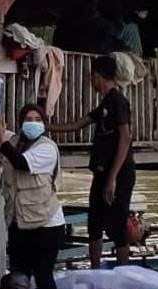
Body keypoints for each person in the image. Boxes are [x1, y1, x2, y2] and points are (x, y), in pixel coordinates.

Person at [48, 56, 136, 268]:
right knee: (94, 223)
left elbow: (125, 138)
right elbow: (77, 125)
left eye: (91, 77)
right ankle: (95, 271)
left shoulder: (118, 101)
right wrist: (45, 127)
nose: (90, 81)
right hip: (101, 172)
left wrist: (112, 178)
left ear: (97, 76)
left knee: (117, 226)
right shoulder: (104, 104)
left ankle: (123, 272)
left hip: (119, 173)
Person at [0, 104, 65, 289]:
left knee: (43, 278)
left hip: (46, 225)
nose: (33, 123)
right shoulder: (13, 140)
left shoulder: (47, 148)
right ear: (21, 123)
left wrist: (1, 136)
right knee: (17, 281)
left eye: (37, 119)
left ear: (44, 123)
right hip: (18, 223)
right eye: (28, 119)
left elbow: (20, 163)